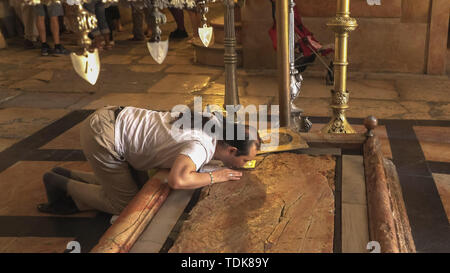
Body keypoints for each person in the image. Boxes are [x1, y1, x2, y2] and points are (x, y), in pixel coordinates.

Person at [37, 106, 261, 215]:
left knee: (133, 188)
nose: (247, 164)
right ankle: (60, 184)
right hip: (104, 137)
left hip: (113, 119)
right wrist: (215, 176)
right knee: (125, 205)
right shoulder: (201, 146)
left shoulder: (214, 124)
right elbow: (178, 180)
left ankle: (68, 176)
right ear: (231, 150)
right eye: (245, 160)